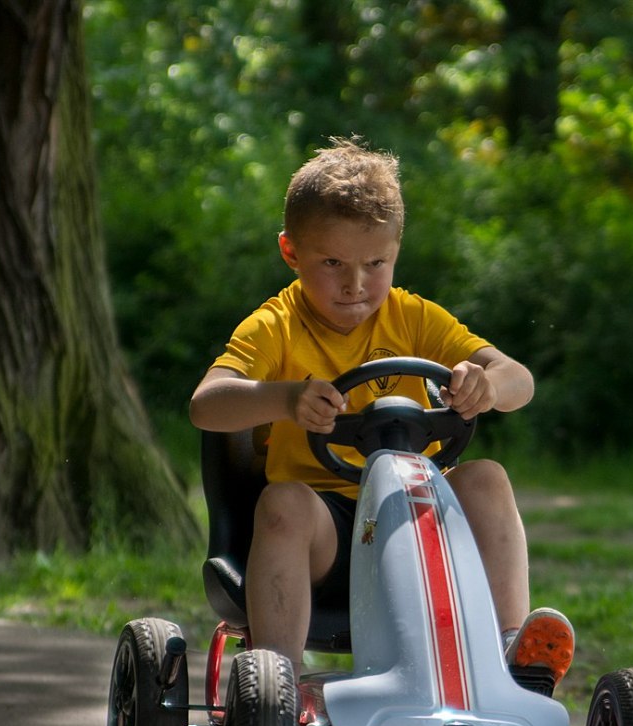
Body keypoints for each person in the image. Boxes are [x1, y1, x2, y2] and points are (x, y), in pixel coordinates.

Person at [189, 137, 573, 696]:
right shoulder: (275, 327)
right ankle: (275, 686)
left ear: (395, 252)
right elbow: (206, 404)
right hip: (328, 534)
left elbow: (521, 381)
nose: (356, 284)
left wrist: (487, 384)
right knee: (284, 503)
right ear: (291, 252)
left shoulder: (414, 318)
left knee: (486, 477)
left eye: (376, 264)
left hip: (417, 520)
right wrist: (286, 399)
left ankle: (511, 653)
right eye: (332, 264)